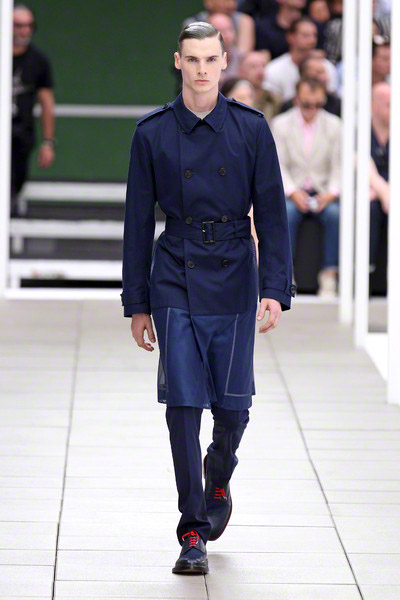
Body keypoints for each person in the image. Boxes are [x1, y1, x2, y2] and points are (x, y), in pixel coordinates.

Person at [121, 21, 295, 575]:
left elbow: (272, 212)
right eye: (191, 59)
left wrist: (276, 289)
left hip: (236, 271)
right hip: (175, 269)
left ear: (224, 62)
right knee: (182, 405)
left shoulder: (251, 129)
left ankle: (219, 470)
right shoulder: (152, 133)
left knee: (233, 406)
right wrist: (137, 301)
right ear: (178, 61)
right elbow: (135, 222)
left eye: (210, 59)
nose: (201, 69)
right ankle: (191, 530)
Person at [271, 77, 341, 296]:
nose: (313, 109)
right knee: (286, 213)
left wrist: (331, 193)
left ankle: (329, 274)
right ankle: (286, 274)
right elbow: (277, 164)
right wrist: (292, 191)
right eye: (307, 104)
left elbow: (339, 165)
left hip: (323, 191)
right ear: (296, 100)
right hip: (292, 191)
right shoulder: (281, 124)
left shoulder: (335, 124)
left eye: (318, 104)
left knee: (335, 215)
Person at [11, 3, 55, 217]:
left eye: (29, 26)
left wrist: (48, 142)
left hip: (21, 134)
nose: (25, 31)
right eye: (19, 25)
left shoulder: (38, 61)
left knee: (15, 181)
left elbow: (47, 102)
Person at [262, 17, 338, 103]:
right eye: (305, 35)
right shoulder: (274, 69)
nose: (312, 40)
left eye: (314, 35)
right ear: (290, 37)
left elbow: (332, 102)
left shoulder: (326, 67)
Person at [369, 82, 390, 270]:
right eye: (388, 105)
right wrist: (383, 191)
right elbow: (359, 163)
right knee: (368, 208)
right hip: (370, 195)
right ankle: (366, 266)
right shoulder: (361, 133)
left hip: (390, 194)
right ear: (372, 106)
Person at [183, 0, 256, 52]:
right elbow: (193, 52)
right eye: (225, 1)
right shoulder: (193, 24)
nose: (230, 4)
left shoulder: (244, 20)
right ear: (209, 2)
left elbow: (243, 54)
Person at [238, 50, 281, 120]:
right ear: (241, 71)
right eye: (253, 67)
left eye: (263, 66)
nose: (260, 71)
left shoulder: (273, 99)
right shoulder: (234, 98)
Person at [207, 13, 245, 87]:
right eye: (221, 31)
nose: (227, 35)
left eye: (230, 30)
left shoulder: (241, 58)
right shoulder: (200, 61)